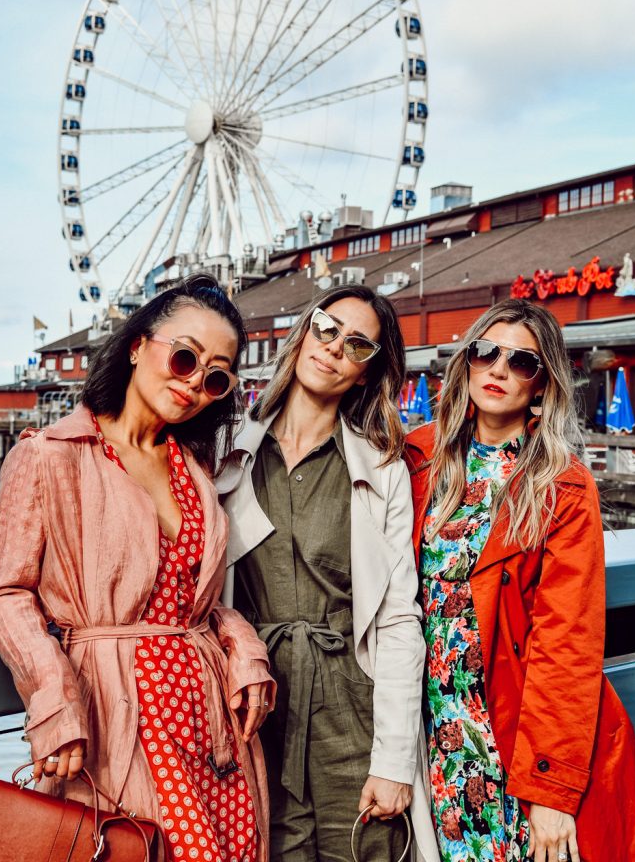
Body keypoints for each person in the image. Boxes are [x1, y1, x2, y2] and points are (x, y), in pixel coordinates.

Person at [0, 276, 276, 862]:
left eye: (215, 378)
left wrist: (244, 651)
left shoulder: (192, 469)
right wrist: (54, 702)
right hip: (113, 713)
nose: (193, 384)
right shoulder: (49, 456)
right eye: (184, 357)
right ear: (138, 344)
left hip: (210, 725)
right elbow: (4, 595)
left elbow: (196, 598)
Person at [405, 298, 635, 862]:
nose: (498, 370)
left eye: (522, 363)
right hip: (437, 727)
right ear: (466, 362)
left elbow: (568, 642)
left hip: (512, 736)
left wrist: (551, 790)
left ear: (542, 386)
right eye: (486, 352)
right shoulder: (420, 457)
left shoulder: (562, 485)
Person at [217, 285, 439, 862]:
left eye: (358, 344)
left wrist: (394, 761)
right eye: (327, 327)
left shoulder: (382, 469)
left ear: (367, 373)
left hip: (352, 715)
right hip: (255, 709)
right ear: (304, 333)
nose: (336, 347)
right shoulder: (227, 456)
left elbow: (396, 619)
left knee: (365, 848)